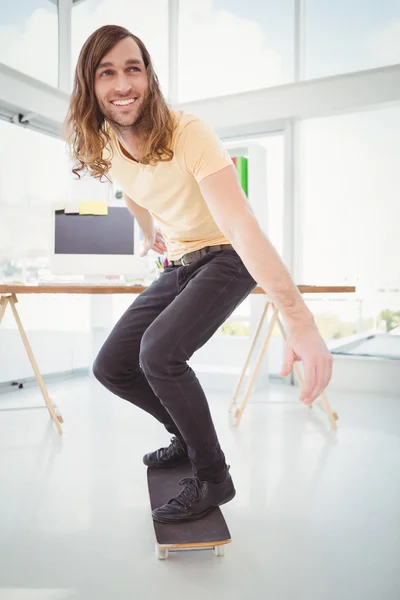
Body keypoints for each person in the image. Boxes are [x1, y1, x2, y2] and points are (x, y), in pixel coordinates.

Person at [65, 25, 333, 524]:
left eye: (133, 68)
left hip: (228, 255)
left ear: (149, 77)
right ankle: (186, 440)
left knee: (160, 353)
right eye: (108, 72)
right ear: (91, 85)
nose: (123, 83)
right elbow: (133, 189)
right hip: (182, 261)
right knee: (111, 366)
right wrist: (149, 233)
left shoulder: (189, 134)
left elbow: (240, 223)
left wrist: (299, 320)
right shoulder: (103, 143)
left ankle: (213, 478)